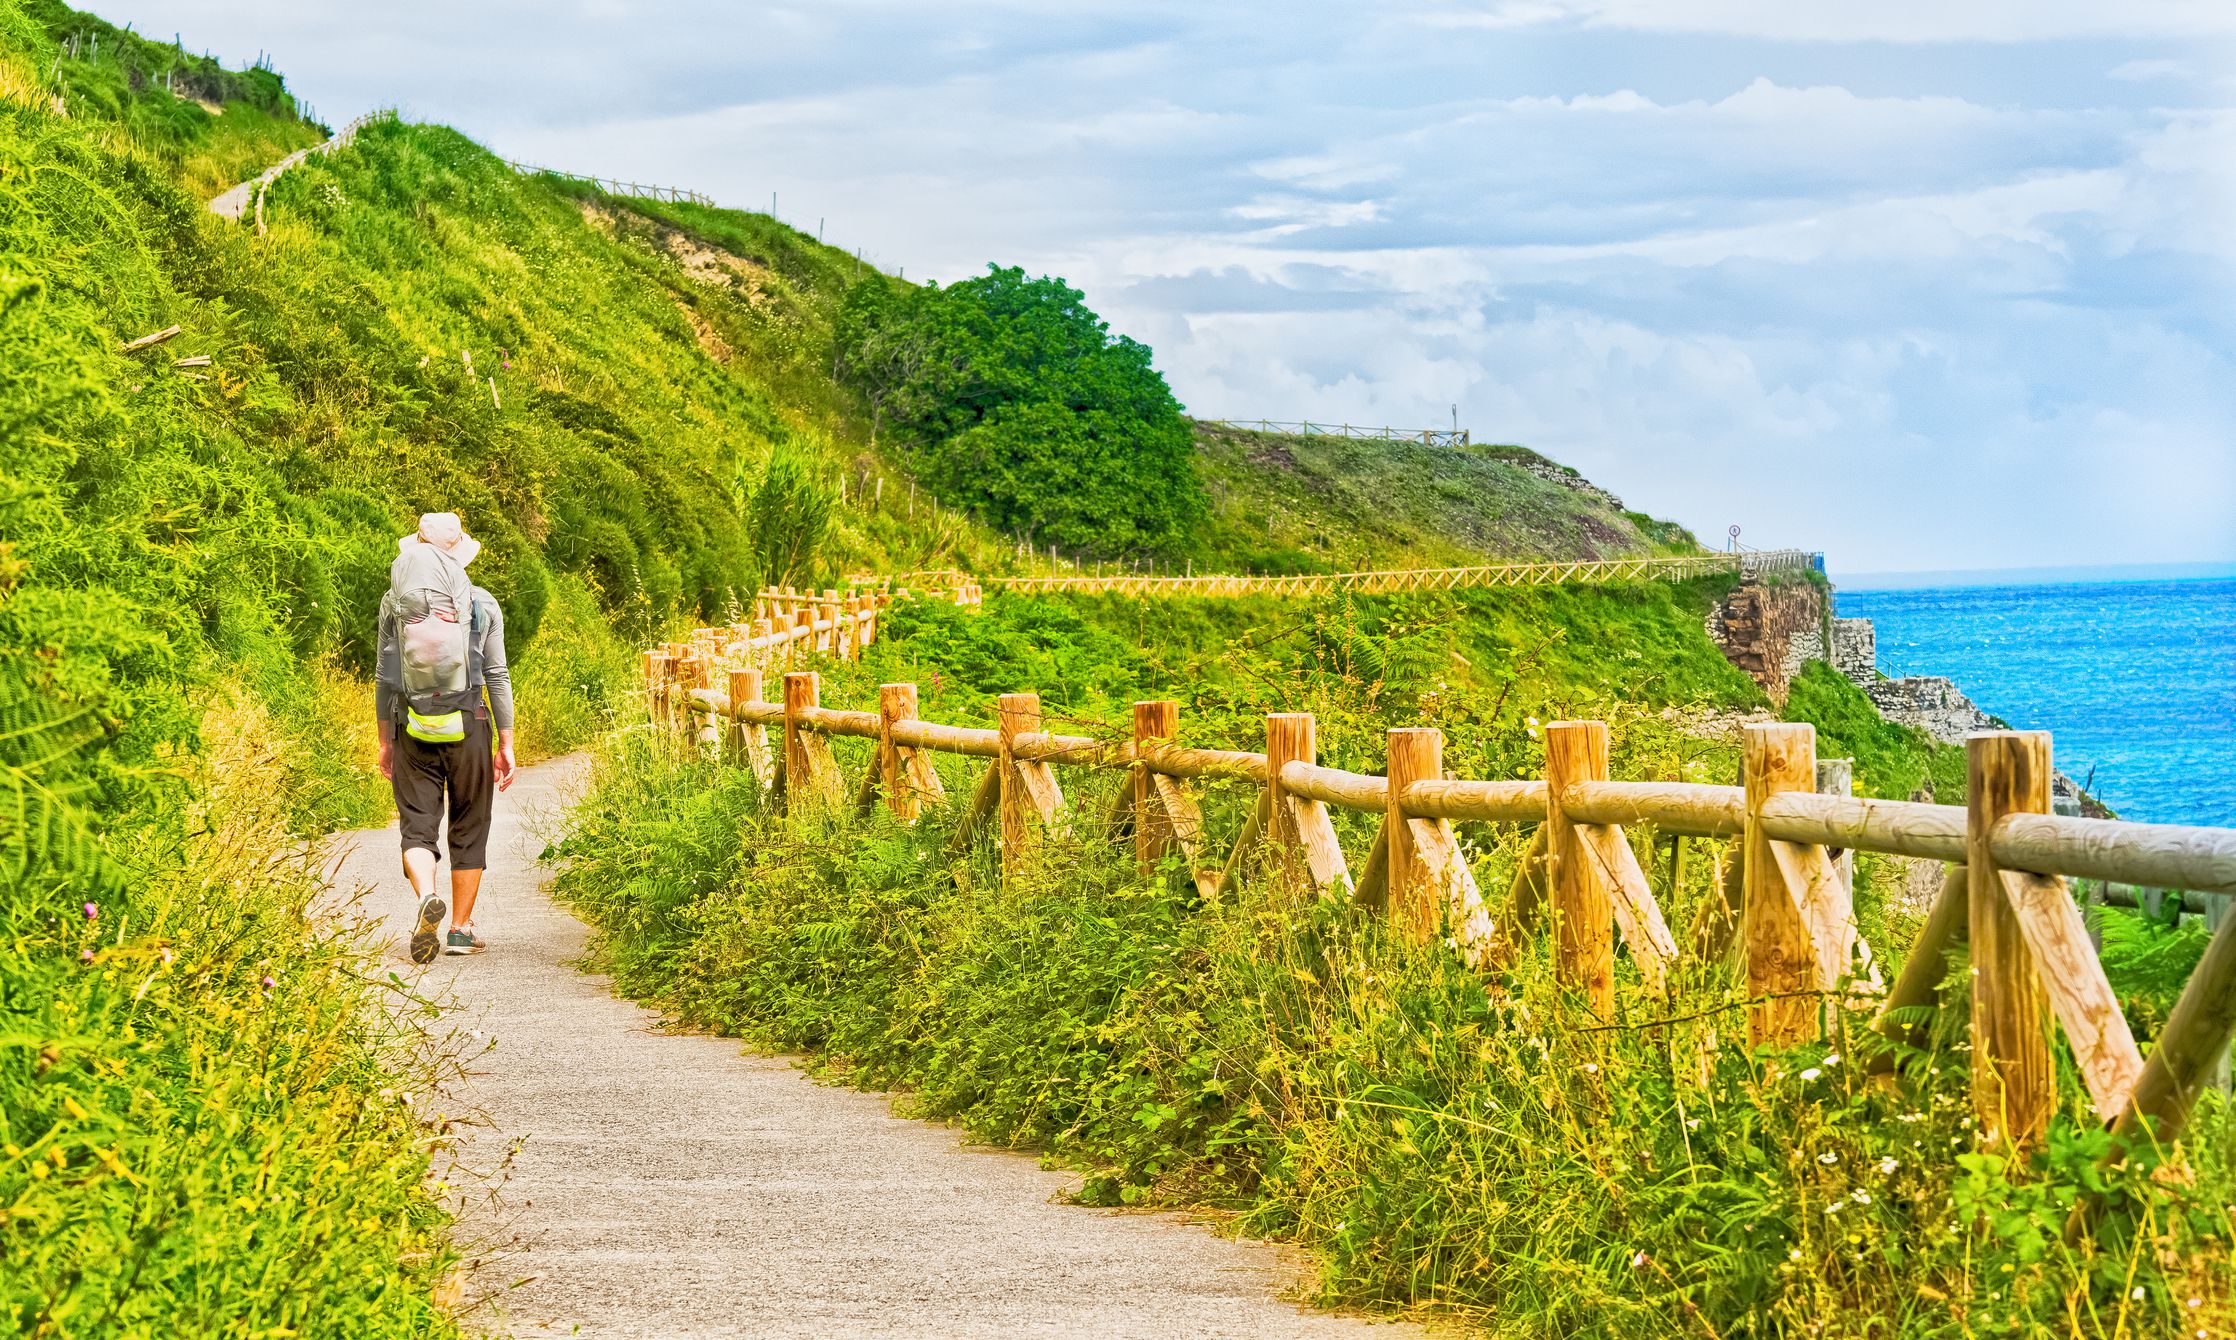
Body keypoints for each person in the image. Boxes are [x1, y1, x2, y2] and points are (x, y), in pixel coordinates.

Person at [376, 515, 519, 963]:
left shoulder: (393, 602)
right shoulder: (483, 604)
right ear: (460, 554)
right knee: (469, 824)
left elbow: (384, 676)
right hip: (470, 721)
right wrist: (506, 742)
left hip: (411, 724)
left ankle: (425, 897)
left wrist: (385, 739)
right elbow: (496, 674)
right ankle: (459, 929)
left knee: (417, 825)